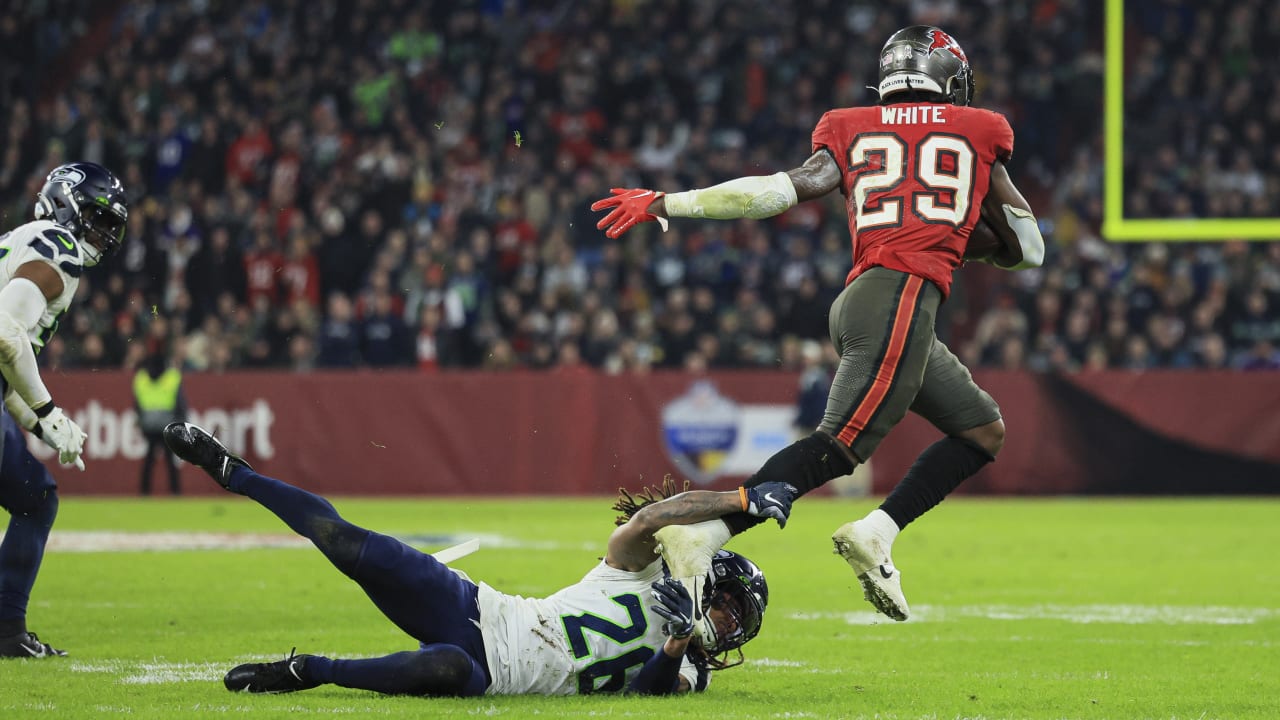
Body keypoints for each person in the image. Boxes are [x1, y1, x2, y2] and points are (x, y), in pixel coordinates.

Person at [592, 26, 1045, 624]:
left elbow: (778, 191)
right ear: (950, 81)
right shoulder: (982, 128)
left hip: (866, 298)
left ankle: (877, 531)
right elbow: (1029, 248)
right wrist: (963, 233)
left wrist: (669, 201)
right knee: (838, 448)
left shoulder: (850, 125)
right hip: (902, 296)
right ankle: (704, 534)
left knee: (982, 429)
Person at [160, 421, 798, 696]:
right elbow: (656, 517)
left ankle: (308, 671)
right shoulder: (642, 567)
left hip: (499, 675)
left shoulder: (693, 671)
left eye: (735, 615)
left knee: (442, 669)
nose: (726, 619)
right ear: (703, 571)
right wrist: (741, 498)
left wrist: (675, 646)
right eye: (726, 600)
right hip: (483, 609)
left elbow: (646, 694)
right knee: (349, 542)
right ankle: (233, 471)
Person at [0, 162, 128, 657]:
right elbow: (6, 335)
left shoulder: (23, 239)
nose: (104, 233)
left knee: (36, 498)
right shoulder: (60, 247)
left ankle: (8, 631)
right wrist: (48, 409)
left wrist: (40, 423)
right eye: (97, 217)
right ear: (64, 202)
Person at [132, 350, 187, 495]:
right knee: (170, 461)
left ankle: (144, 492)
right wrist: (181, 424)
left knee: (149, 460)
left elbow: (137, 404)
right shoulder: (172, 377)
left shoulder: (141, 377)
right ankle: (176, 492)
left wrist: (140, 422)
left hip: (149, 425)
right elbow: (180, 404)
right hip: (168, 424)